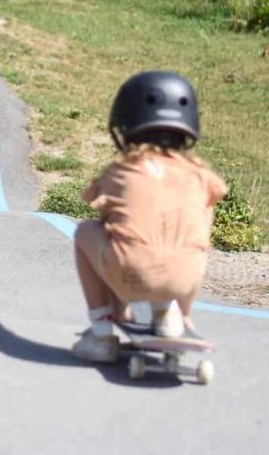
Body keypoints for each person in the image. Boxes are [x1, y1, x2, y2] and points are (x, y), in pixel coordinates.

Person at [71, 71, 228, 362]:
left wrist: (119, 306)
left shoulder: (122, 171)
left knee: (87, 232)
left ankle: (102, 333)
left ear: (126, 125)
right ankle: (171, 315)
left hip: (129, 274)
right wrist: (186, 312)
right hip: (184, 282)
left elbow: (112, 224)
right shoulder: (201, 177)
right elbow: (200, 235)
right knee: (183, 240)